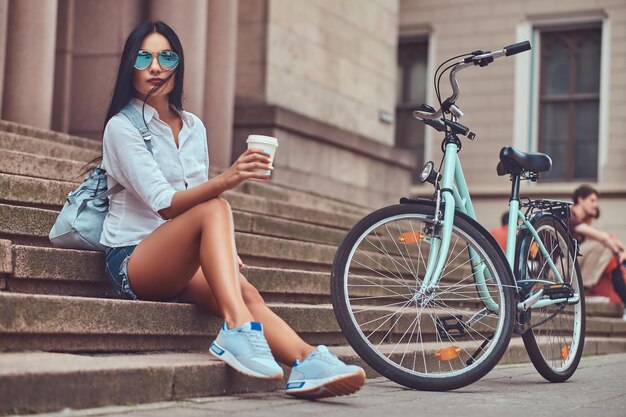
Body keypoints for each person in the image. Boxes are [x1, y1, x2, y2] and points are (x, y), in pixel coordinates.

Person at [99, 20, 365, 398]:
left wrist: (223, 249)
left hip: (178, 256)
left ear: (179, 65)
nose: (155, 67)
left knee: (248, 292)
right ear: (131, 65)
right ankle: (237, 330)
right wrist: (229, 177)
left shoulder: (193, 126)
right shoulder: (121, 127)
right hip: (133, 259)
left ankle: (307, 361)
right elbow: (165, 205)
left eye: (166, 57)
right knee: (216, 208)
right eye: (145, 57)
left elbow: (196, 193)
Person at [569, 185, 626, 317]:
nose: (595, 205)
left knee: (608, 249)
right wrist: (621, 249)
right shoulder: (568, 216)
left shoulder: (579, 223)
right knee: (605, 244)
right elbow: (603, 237)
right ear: (580, 199)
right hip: (557, 270)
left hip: (569, 267)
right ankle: (585, 287)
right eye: (592, 200)